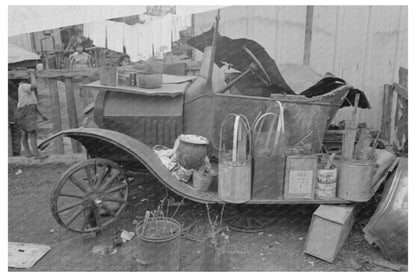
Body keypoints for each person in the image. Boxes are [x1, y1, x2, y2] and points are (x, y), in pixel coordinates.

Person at [15, 69, 48, 159]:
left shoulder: (22, 87)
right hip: (27, 111)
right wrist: (32, 73)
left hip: (23, 111)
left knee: (24, 133)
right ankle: (36, 154)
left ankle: (28, 153)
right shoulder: (24, 86)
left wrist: (41, 115)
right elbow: (34, 85)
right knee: (32, 133)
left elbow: (33, 102)